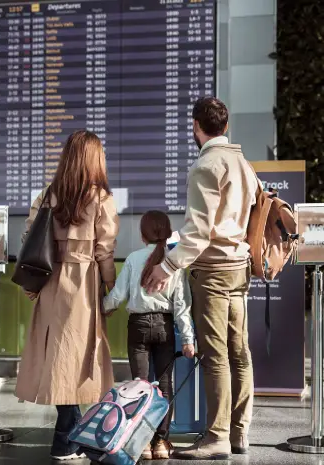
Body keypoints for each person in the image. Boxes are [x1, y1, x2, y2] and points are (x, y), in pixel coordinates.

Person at [145, 97, 258, 460]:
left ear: (196, 126)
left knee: (216, 355)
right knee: (239, 352)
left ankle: (216, 438)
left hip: (213, 272)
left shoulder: (206, 165)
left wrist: (167, 266)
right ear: (225, 126)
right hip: (240, 266)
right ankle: (239, 433)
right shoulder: (243, 164)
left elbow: (198, 233)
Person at [15, 130, 119, 461]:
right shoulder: (100, 199)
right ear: (93, 159)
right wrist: (112, 291)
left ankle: (68, 436)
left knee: (59, 358)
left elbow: (30, 239)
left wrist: (32, 284)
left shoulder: (48, 195)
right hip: (82, 289)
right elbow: (105, 251)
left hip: (50, 285)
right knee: (77, 359)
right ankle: (66, 438)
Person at [102, 210, 195, 460]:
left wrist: (102, 309)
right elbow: (182, 306)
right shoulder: (174, 263)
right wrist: (187, 339)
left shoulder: (133, 258)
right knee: (165, 386)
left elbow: (118, 296)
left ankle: (141, 443)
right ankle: (161, 443)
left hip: (139, 327)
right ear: (166, 232)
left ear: (143, 235)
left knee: (139, 387)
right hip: (165, 328)